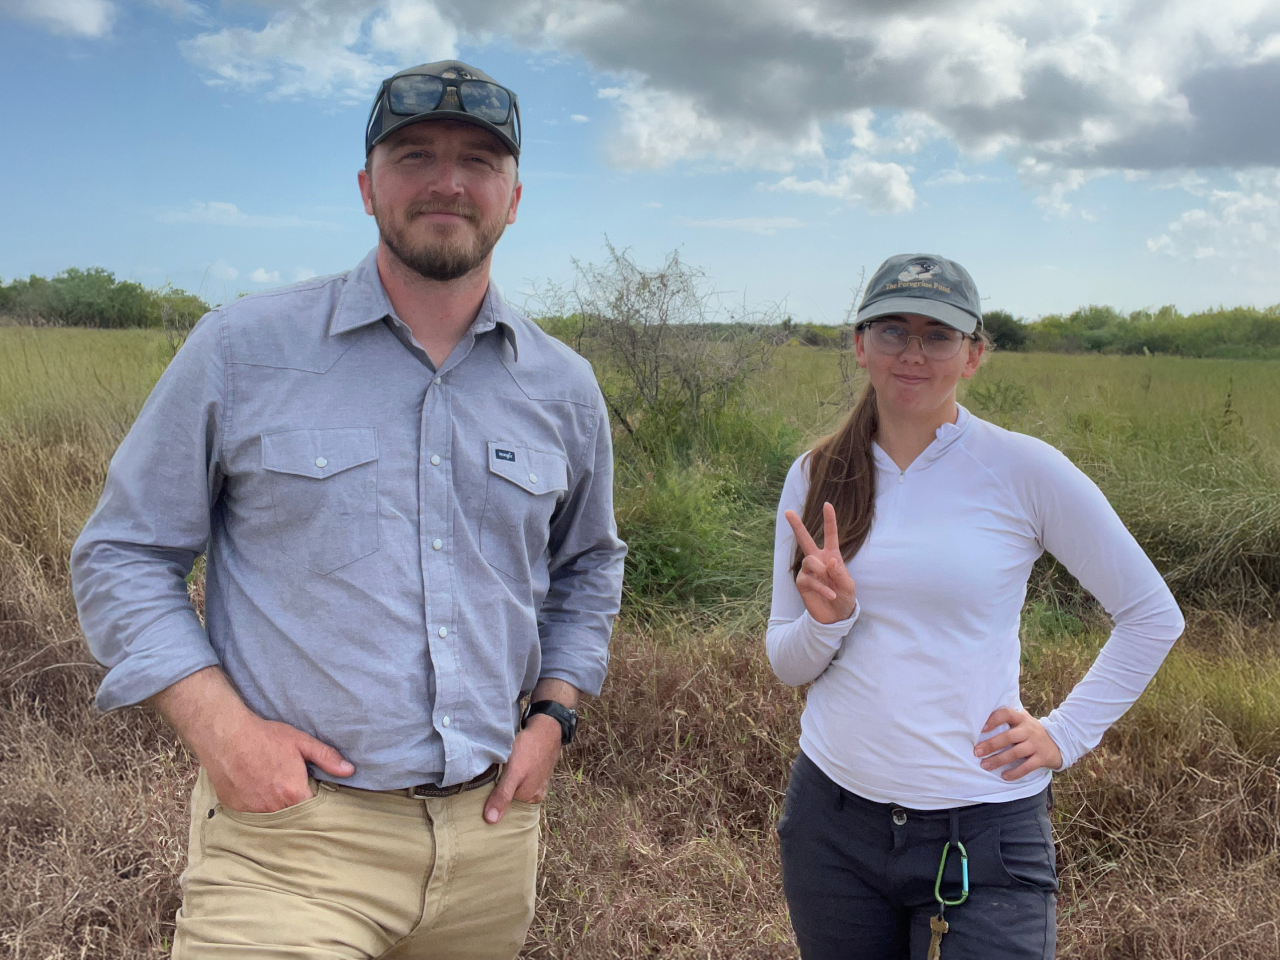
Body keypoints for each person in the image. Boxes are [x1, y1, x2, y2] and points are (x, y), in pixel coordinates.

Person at [70, 59, 626, 959]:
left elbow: (591, 563)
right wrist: (224, 733)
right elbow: (123, 553)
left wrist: (554, 716)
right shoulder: (244, 349)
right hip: (291, 843)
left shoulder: (563, 387)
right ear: (368, 188)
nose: (448, 182)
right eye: (415, 155)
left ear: (514, 197)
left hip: (490, 845)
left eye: (479, 161)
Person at [766, 254, 1184, 960]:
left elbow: (1151, 614)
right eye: (893, 330)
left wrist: (1066, 733)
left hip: (985, 832)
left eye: (939, 335)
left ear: (974, 355)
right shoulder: (817, 473)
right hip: (832, 826)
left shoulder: (1024, 469)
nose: (914, 353)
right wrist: (828, 622)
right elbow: (786, 659)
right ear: (861, 344)